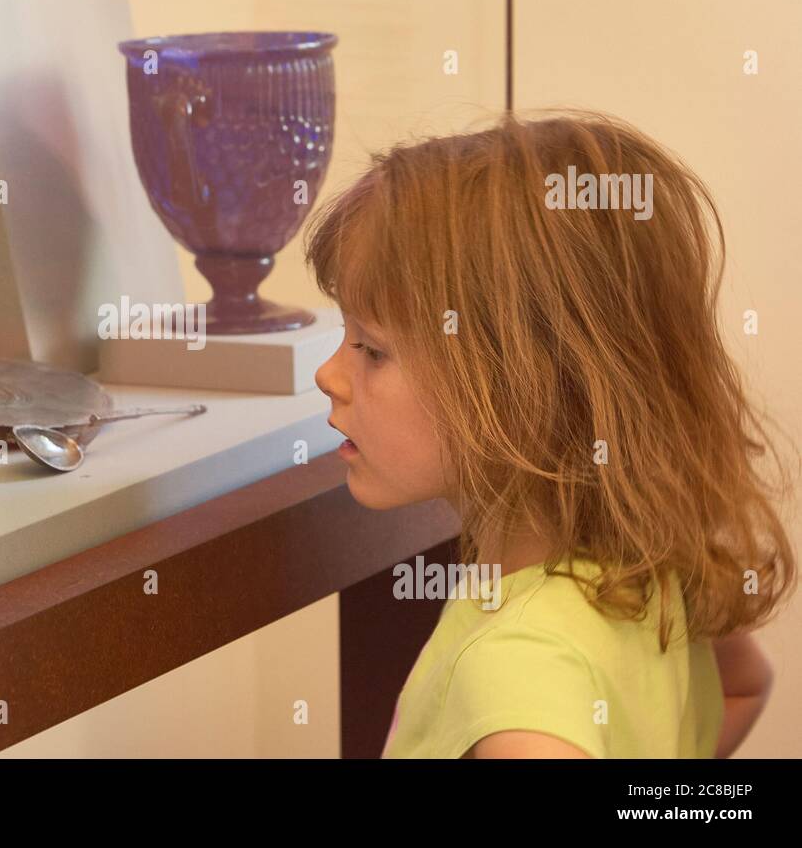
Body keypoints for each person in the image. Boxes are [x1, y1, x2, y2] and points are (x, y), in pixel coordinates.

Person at [307, 110, 795, 758]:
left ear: (520, 390)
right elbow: (743, 689)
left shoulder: (517, 675)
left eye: (370, 349)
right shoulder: (650, 565)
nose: (328, 373)